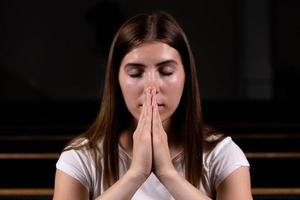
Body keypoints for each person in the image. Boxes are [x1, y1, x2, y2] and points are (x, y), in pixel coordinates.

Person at [53, 11, 252, 200]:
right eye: (135, 73)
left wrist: (167, 173)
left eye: (166, 72)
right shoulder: (80, 156)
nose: (151, 87)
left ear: (186, 76)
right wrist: (136, 174)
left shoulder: (222, 154)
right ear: (116, 80)